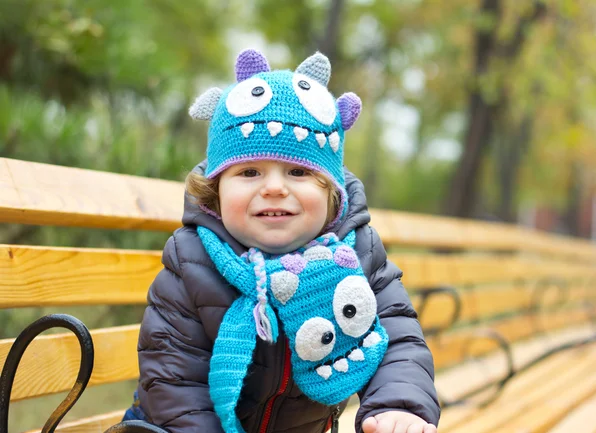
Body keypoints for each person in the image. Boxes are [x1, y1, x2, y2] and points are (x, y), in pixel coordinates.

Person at [123, 48, 440, 433]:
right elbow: (173, 377)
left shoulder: (356, 255)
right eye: (251, 171)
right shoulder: (193, 261)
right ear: (216, 191)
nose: (274, 188)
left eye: (297, 171)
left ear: (331, 193)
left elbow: (397, 339)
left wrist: (397, 406)